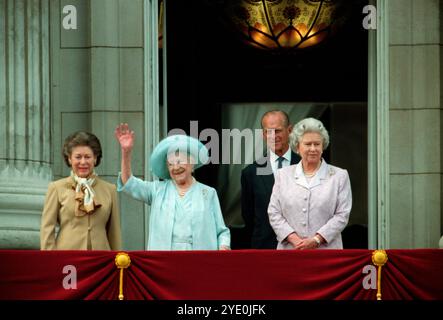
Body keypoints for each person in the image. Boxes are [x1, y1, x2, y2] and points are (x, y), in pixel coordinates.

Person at [114, 123, 230, 250]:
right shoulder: (157, 190)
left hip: (199, 260)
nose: (176, 167)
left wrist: (224, 246)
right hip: (164, 260)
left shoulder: (208, 193)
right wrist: (126, 152)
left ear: (192, 163)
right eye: (170, 164)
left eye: (180, 162)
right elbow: (128, 183)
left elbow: (222, 231)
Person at [268, 117, 352, 249]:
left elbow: (342, 215)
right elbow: (274, 212)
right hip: (291, 250)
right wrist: (293, 239)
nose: (313, 149)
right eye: (308, 144)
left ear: (323, 146)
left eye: (317, 144)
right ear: (297, 147)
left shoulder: (339, 176)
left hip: (326, 252)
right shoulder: (283, 175)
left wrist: (317, 239)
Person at [40, 131, 122, 250]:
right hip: (66, 259)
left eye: (87, 157)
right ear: (69, 159)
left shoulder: (110, 190)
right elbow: (47, 229)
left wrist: (117, 262)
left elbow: (114, 232)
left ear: (95, 158)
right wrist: (51, 261)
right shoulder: (56, 188)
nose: (83, 162)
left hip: (101, 259)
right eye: (78, 157)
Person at [241, 110, 300, 249]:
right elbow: (248, 216)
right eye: (269, 132)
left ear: (290, 130)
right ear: (263, 134)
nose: (274, 136)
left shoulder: (305, 166)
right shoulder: (250, 172)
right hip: (264, 248)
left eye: (278, 131)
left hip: (299, 246)